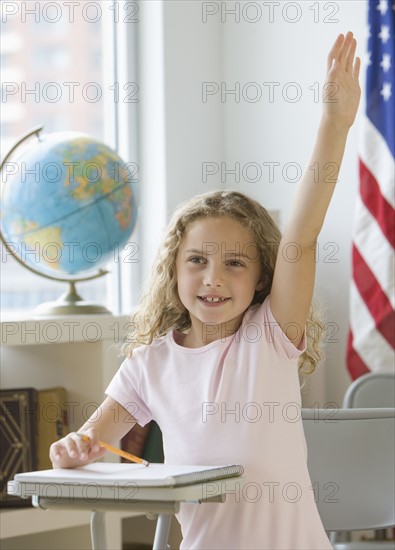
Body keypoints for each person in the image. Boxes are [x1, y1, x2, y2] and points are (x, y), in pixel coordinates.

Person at [50, 32, 361, 549]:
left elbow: (300, 238)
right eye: (197, 261)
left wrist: (334, 123)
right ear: (174, 269)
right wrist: (75, 449)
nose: (212, 278)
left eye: (234, 263)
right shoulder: (149, 365)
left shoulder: (271, 337)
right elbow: (92, 439)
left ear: (262, 278)